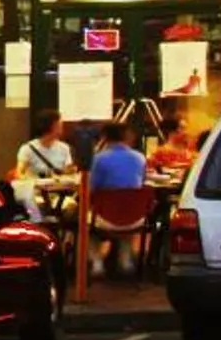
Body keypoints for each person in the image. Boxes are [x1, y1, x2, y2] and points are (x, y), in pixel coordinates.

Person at [85, 124, 150, 278]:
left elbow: (91, 189)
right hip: (136, 218)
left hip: (106, 217)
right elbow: (141, 183)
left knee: (83, 222)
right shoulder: (140, 158)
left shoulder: (99, 159)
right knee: (125, 214)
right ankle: (125, 260)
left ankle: (97, 262)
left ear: (104, 138)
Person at [14, 116, 80, 220]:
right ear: (51, 126)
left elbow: (68, 171)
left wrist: (70, 171)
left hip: (57, 195)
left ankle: (62, 235)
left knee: (73, 208)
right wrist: (33, 182)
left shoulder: (64, 148)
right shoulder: (27, 148)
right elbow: (19, 174)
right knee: (36, 213)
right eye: (59, 124)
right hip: (35, 195)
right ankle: (40, 232)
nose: (62, 127)